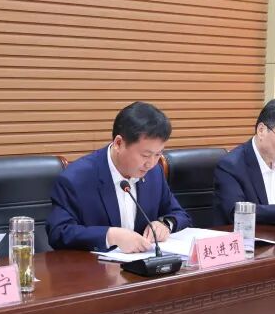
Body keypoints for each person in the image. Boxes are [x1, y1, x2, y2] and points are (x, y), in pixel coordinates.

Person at [47, 101, 190, 253]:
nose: (151, 163)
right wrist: (110, 235)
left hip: (144, 264)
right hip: (96, 266)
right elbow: (58, 233)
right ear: (118, 143)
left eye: (158, 154)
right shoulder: (76, 178)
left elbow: (180, 214)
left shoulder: (154, 173)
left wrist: (165, 224)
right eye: (145, 155)